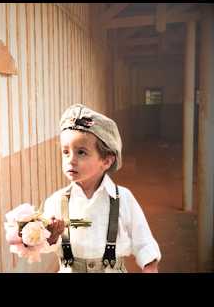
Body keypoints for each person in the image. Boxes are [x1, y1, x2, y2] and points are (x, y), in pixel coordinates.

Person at [42, 104, 161, 273]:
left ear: (106, 161)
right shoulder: (56, 201)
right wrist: (49, 237)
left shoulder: (123, 199)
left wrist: (150, 265)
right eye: (65, 152)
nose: (71, 160)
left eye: (81, 152)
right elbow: (40, 245)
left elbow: (143, 241)